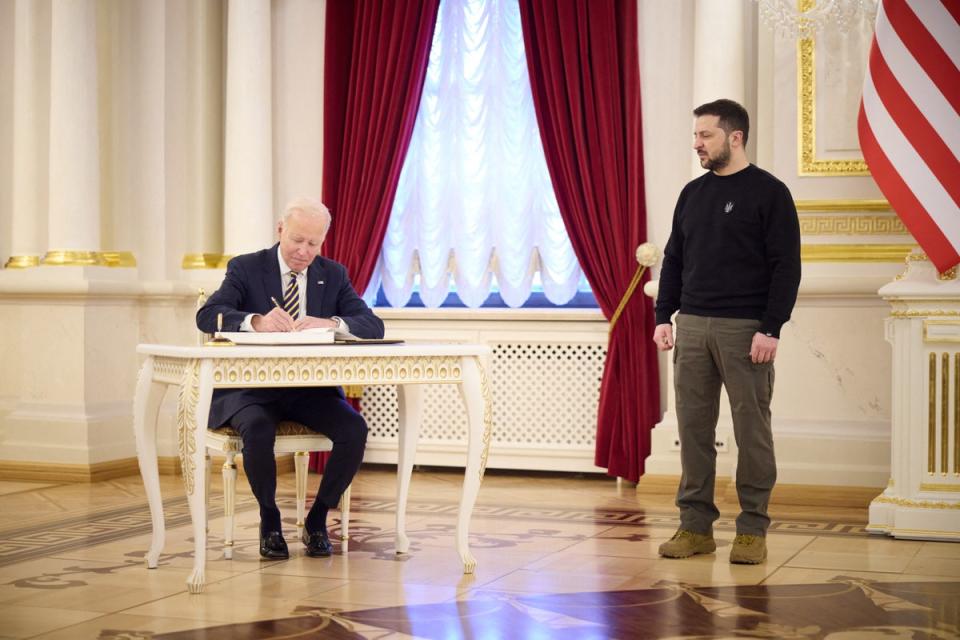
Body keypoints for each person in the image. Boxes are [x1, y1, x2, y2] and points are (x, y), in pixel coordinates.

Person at [653, 99, 801, 564]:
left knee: (751, 430)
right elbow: (674, 258)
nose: (696, 142)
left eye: (705, 135)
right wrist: (663, 315)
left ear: (734, 137)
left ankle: (752, 530)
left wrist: (770, 328)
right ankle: (695, 526)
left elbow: (786, 267)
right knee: (693, 429)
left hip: (746, 331)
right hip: (692, 326)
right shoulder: (692, 194)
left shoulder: (769, 193)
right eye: (696, 135)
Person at [197, 197, 385, 560]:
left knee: (354, 429)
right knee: (257, 428)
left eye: (313, 244)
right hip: (251, 389)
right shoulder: (246, 267)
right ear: (280, 230)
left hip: (309, 390)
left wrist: (333, 323)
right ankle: (270, 521)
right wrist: (255, 321)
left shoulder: (332, 274)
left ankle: (317, 520)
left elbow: (372, 325)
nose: (304, 251)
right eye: (297, 240)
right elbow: (208, 316)